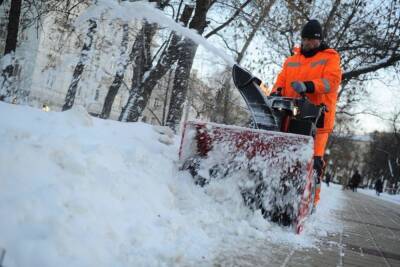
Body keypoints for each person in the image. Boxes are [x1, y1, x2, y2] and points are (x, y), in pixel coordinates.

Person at [271, 19, 342, 206]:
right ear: (302, 39)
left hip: (318, 120)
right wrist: (275, 92)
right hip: (290, 116)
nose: (309, 43)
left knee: (314, 162)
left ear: (320, 41)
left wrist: (308, 86)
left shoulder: (330, 58)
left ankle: (310, 203)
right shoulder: (291, 60)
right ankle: (280, 194)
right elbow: (281, 81)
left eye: (313, 40)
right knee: (286, 157)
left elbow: (332, 81)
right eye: (306, 39)